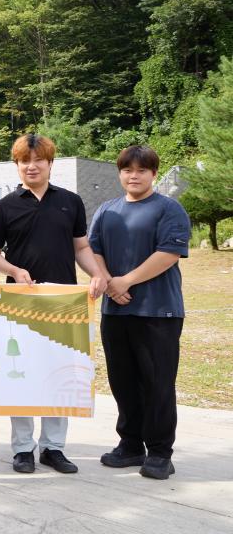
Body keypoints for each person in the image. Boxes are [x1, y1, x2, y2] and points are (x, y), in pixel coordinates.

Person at [0, 134, 106, 475]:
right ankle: (23, 448)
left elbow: (81, 247)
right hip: (20, 301)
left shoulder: (70, 201)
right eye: (25, 161)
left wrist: (96, 274)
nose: (32, 166)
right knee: (20, 373)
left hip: (64, 301)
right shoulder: (4, 206)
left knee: (59, 374)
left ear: (51, 163)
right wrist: (14, 270)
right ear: (17, 165)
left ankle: (54, 447)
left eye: (38, 160)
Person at [89, 146, 190, 480]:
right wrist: (106, 281)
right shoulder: (107, 210)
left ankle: (160, 452)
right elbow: (94, 250)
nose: (134, 176)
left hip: (158, 312)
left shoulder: (168, 209)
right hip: (116, 314)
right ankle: (130, 445)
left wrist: (124, 282)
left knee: (158, 383)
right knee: (123, 381)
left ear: (153, 174)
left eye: (141, 170)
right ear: (120, 173)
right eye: (127, 170)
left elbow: (169, 253)